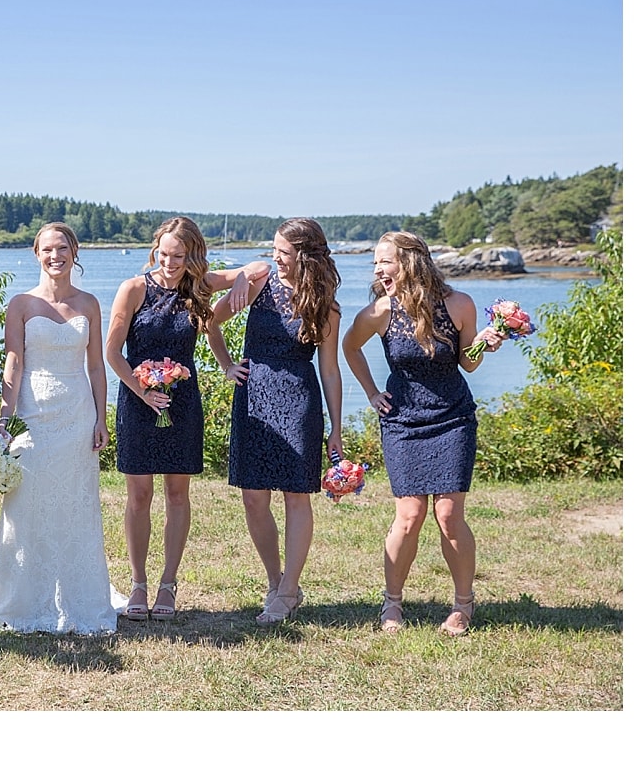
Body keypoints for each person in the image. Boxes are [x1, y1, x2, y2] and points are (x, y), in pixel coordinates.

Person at [105, 216, 267, 621]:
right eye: (164, 254)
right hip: (138, 401)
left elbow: (261, 269)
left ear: (192, 254)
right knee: (139, 496)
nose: (171, 262)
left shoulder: (199, 285)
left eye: (179, 255)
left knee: (178, 495)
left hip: (182, 403)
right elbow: (111, 352)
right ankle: (138, 584)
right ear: (154, 250)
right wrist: (142, 391)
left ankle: (168, 584)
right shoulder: (134, 288)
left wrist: (228, 362)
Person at [341, 231, 504, 636]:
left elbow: (468, 364)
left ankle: (462, 605)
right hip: (403, 421)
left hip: (453, 417)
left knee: (448, 515)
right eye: (376, 263)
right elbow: (350, 347)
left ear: (411, 262)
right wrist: (373, 392)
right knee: (409, 515)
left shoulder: (459, 304)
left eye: (385, 262)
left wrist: (484, 342)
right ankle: (392, 603)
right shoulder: (380, 311)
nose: (378, 270)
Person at [0, 223, 123, 634]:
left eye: (62, 248)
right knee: (27, 506)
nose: (55, 256)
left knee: (76, 506)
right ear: (36, 254)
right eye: (47, 249)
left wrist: (101, 418)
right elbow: (14, 364)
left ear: (75, 252)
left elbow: (95, 365)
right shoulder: (21, 304)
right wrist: (4, 419)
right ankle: (24, 599)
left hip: (77, 414)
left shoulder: (90, 303)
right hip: (33, 415)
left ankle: (79, 598)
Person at [207, 218, 343, 624]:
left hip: (300, 398)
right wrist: (227, 365)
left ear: (304, 256)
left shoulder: (326, 304)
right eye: (274, 251)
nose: (275, 258)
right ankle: (275, 580)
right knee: (253, 496)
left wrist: (336, 427)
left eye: (283, 252)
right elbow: (210, 322)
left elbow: (331, 370)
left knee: (295, 496)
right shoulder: (258, 281)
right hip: (254, 394)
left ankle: (287, 592)